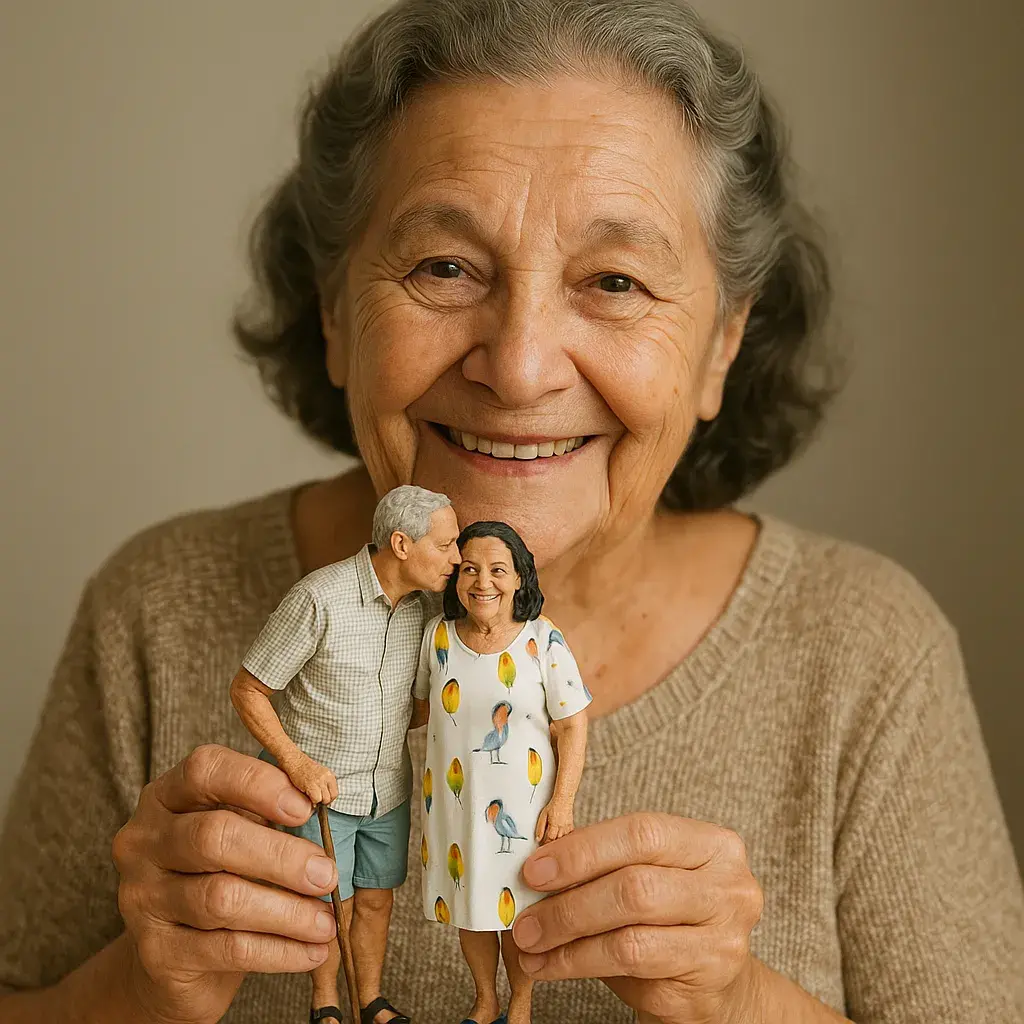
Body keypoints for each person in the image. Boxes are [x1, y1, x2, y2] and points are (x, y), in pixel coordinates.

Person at [1, 0, 1022, 1022]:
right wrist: (135, 991)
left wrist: (740, 1000)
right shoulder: (156, 608)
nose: (522, 368)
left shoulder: (867, 655)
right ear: (334, 312)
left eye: (614, 281)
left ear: (721, 344)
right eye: (445, 267)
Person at [230, 484, 461, 1024]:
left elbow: (421, 704)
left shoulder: (427, 612)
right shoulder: (320, 597)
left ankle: (370, 999)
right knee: (333, 905)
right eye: (446, 545)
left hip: (389, 789)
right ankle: (326, 1003)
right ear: (402, 544)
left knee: (377, 900)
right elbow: (249, 690)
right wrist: (297, 763)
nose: (456, 557)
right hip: (324, 792)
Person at [412, 521, 590, 1024]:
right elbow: (421, 712)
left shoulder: (542, 638)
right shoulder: (438, 636)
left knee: (518, 911)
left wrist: (563, 802)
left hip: (524, 805)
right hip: (454, 802)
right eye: (469, 569)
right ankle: (484, 1000)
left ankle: (521, 1005)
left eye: (497, 570)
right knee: (470, 904)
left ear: (518, 579)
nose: (482, 582)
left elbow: (573, 724)